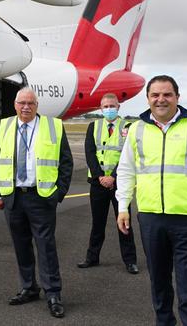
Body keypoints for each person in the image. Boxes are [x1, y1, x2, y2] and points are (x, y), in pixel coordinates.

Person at [116, 75, 187, 326]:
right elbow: (126, 170)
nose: (161, 99)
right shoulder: (136, 129)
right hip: (150, 217)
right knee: (159, 283)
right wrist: (123, 206)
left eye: (167, 94)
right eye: (155, 95)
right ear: (147, 99)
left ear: (177, 97)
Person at [0, 87, 73, 319]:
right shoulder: (5, 126)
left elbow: (66, 163)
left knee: (46, 246)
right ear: (15, 105)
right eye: (21, 103)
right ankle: (29, 287)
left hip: (41, 196)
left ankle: (53, 293)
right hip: (13, 196)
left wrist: (59, 193)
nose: (26, 107)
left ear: (37, 105)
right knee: (20, 245)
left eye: (30, 103)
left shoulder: (53, 126)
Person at [78, 93, 138, 274]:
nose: (109, 109)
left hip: (120, 182)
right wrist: (100, 177)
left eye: (112, 106)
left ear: (118, 107)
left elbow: (129, 155)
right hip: (98, 183)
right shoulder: (93, 126)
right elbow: (89, 153)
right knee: (98, 222)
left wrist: (113, 176)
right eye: (105, 106)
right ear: (101, 108)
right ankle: (92, 257)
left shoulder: (128, 127)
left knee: (124, 222)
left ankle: (130, 260)